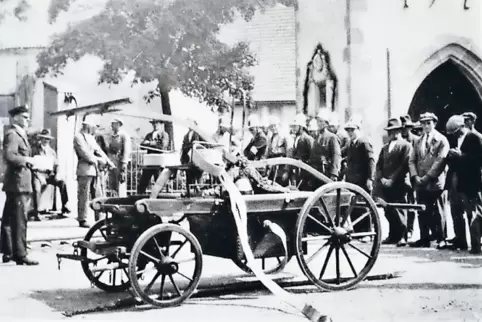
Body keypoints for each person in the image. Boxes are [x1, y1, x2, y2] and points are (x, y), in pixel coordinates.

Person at [0, 105, 38, 265]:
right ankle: (20, 254)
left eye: (28, 117)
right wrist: (27, 160)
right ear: (15, 118)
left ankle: (8, 252)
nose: (27, 120)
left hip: (16, 182)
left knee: (8, 219)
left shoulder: (17, 134)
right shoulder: (13, 134)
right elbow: (9, 155)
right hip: (19, 182)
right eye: (24, 117)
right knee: (20, 219)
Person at [408, 112, 449, 249]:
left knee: (438, 211)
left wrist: (427, 177)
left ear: (434, 123)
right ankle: (424, 237)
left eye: (428, 123)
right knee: (422, 210)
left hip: (434, 182)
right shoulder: (419, 141)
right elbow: (412, 160)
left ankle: (441, 238)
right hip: (420, 182)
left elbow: (440, 161)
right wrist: (415, 176)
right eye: (423, 123)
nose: (425, 126)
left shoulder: (441, 140)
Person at [445, 115, 482, 254]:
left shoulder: (474, 138)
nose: (453, 135)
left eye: (455, 132)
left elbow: (479, 160)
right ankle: (460, 241)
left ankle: (476, 245)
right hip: (456, 181)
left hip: (470, 182)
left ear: (461, 127)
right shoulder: (455, 139)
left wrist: (462, 156)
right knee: (456, 212)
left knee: (472, 214)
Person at [375, 118, 412, 246]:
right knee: (388, 210)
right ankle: (393, 235)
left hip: (398, 183)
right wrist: (381, 178)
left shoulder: (405, 145)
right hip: (385, 183)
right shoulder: (385, 147)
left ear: (400, 131)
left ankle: (403, 236)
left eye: (395, 131)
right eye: (390, 131)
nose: (393, 134)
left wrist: (392, 179)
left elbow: (404, 165)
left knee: (400, 209)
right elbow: (379, 164)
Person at [74, 115, 114, 228]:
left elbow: (99, 150)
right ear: (87, 125)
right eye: (93, 126)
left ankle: (99, 219)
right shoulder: (78, 137)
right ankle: (83, 218)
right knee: (84, 195)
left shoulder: (91, 137)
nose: (94, 129)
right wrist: (100, 160)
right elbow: (85, 154)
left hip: (94, 170)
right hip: (84, 170)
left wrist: (109, 162)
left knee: (98, 195)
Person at [344, 119, 375, 235]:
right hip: (352, 180)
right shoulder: (351, 143)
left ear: (358, 130)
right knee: (353, 205)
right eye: (348, 131)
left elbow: (371, 160)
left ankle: (367, 232)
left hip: (362, 180)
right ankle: (358, 231)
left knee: (363, 206)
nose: (350, 133)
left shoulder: (364, 142)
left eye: (352, 130)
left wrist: (370, 179)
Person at [31, 129, 70, 219]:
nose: (45, 141)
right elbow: (31, 164)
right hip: (38, 173)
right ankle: (36, 212)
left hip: (48, 174)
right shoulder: (34, 150)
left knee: (62, 183)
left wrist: (57, 174)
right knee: (37, 188)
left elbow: (57, 164)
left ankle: (65, 207)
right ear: (40, 139)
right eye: (44, 138)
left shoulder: (51, 151)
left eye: (47, 139)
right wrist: (38, 175)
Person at [400, 115, 420, 241]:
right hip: (401, 176)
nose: (404, 130)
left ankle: (410, 230)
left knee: (411, 205)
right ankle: (402, 231)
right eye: (402, 128)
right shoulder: (398, 141)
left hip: (412, 177)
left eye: (407, 128)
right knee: (401, 204)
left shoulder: (416, 140)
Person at [137, 119, 170, 194]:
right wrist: (154, 143)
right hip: (150, 161)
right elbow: (142, 146)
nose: (155, 125)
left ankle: (159, 199)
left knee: (158, 182)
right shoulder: (149, 135)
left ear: (161, 124)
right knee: (143, 182)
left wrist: (150, 143)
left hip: (159, 162)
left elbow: (163, 146)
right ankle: (140, 196)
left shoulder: (164, 134)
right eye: (154, 124)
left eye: (157, 124)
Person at [105, 119, 131, 197]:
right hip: (111, 161)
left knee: (120, 182)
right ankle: (113, 199)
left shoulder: (124, 135)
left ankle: (121, 200)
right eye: (112, 123)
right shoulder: (110, 135)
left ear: (118, 124)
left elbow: (126, 150)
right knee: (112, 183)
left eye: (114, 124)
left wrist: (124, 163)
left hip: (120, 161)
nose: (112, 125)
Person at [313, 110, 341, 181]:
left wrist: (334, 173)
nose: (318, 124)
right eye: (318, 121)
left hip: (327, 172)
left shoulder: (332, 137)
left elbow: (336, 155)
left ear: (326, 123)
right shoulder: (316, 138)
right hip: (317, 172)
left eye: (321, 121)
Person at [266, 115, 292, 185]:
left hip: (282, 168)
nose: (273, 128)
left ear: (279, 125)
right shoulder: (271, 138)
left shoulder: (285, 136)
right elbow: (269, 153)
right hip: (273, 169)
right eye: (271, 126)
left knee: (282, 187)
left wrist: (286, 171)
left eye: (275, 125)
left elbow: (289, 154)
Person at [290, 114, 313, 190]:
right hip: (298, 169)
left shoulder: (307, 139)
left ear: (301, 126)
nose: (293, 128)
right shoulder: (296, 138)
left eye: (295, 126)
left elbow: (312, 155)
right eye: (293, 126)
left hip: (306, 170)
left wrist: (305, 162)